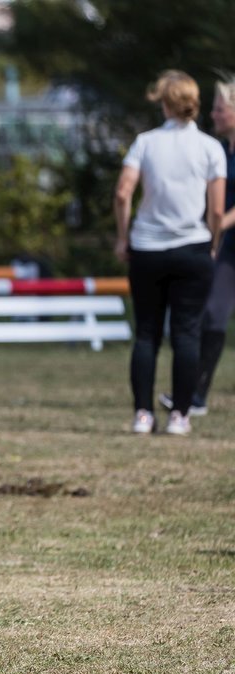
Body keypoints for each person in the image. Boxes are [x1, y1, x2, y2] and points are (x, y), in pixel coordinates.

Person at [114, 70, 226, 436]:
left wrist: (122, 236)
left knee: (146, 333)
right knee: (187, 334)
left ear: (164, 102)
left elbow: (122, 193)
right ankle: (180, 415)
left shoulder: (145, 142)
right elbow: (216, 208)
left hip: (147, 247)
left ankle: (143, 414)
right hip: (192, 247)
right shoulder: (211, 148)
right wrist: (211, 244)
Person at [161, 76, 235, 416]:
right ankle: (196, 397)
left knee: (212, 315)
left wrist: (215, 230)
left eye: (221, 108)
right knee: (212, 315)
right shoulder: (220, 150)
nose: (215, 114)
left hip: (222, 237)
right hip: (226, 245)